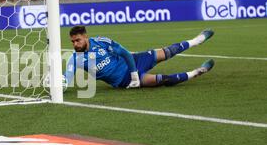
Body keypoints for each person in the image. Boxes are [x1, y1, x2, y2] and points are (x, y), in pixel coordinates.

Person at [64, 26, 215, 90]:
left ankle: (197, 40)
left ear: (85, 37)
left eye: (78, 40)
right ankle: (196, 72)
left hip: (134, 61)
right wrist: (59, 82)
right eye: (73, 42)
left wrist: (134, 73)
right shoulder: (75, 58)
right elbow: (67, 78)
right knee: (162, 80)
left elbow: (125, 53)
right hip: (124, 80)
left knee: (168, 51)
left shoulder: (101, 42)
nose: (75, 44)